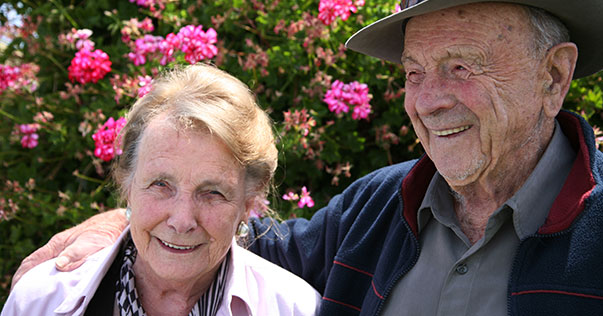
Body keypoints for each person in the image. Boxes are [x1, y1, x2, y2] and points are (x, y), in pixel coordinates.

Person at [11, 0, 603, 315]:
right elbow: (220, 231)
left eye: (462, 67)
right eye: (414, 72)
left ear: (554, 76)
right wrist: (128, 217)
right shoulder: (378, 208)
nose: (428, 100)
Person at [2, 64, 321, 315]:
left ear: (248, 204)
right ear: (127, 184)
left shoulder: (295, 309)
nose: (182, 221)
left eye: (212, 193)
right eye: (160, 185)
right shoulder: (39, 302)